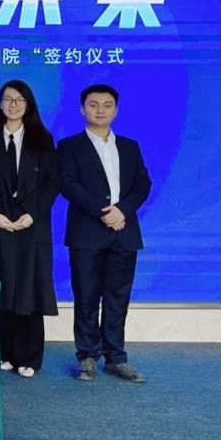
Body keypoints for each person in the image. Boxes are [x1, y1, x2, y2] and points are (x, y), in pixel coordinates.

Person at [58, 84, 152, 383]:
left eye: (107, 105)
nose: (100, 110)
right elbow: (68, 185)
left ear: (116, 110)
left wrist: (121, 211)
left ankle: (116, 358)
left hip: (124, 231)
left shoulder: (130, 146)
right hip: (87, 232)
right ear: (82, 109)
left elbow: (143, 184)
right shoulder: (69, 146)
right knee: (86, 296)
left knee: (118, 297)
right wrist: (104, 212)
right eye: (93, 104)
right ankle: (87, 356)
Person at [0, 80, 60, 378]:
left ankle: (29, 357)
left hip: (31, 224)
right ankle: (4, 353)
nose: (13, 105)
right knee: (1, 289)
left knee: (29, 289)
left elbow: (52, 182)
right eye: (7, 99)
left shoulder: (42, 140)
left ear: (28, 104)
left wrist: (32, 213)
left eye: (19, 100)